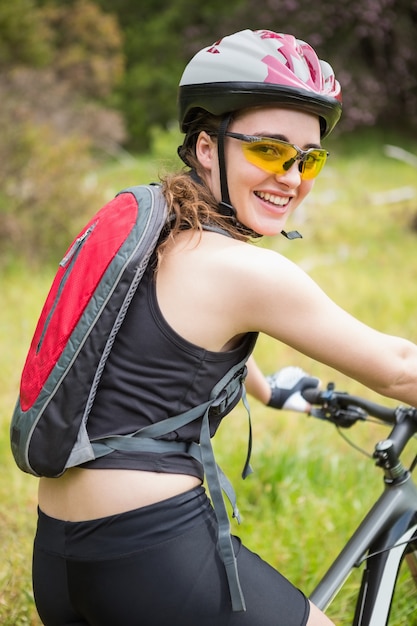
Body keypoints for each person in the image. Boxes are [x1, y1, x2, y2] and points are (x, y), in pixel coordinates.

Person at [31, 29, 417, 626]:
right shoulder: (246, 270)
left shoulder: (160, 231)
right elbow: (397, 370)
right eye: (268, 149)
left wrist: (273, 391)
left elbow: (173, 341)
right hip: (153, 559)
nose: (291, 175)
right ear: (208, 148)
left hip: (59, 563)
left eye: (308, 158)